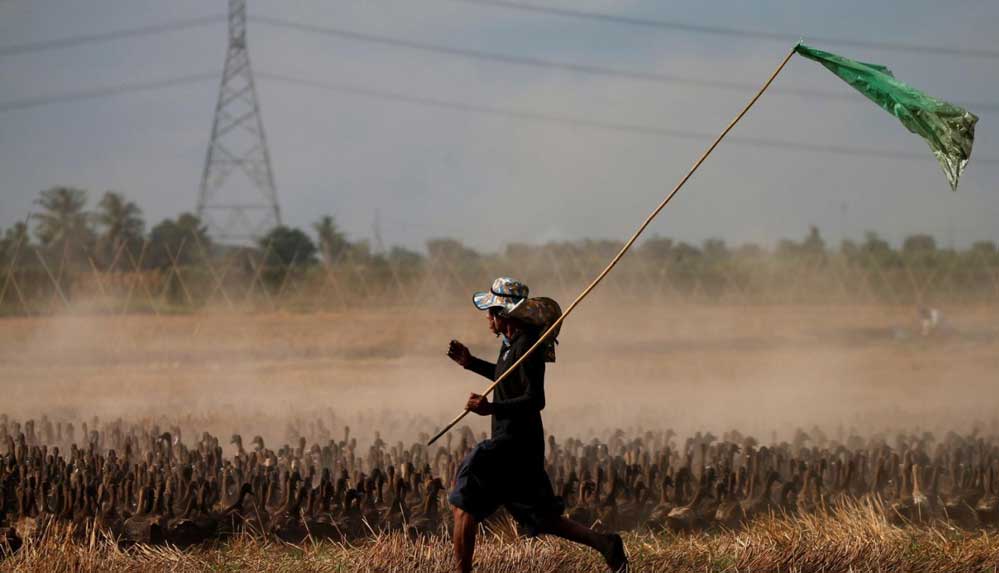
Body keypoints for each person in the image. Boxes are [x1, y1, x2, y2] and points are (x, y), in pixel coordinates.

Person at [445, 277, 628, 573]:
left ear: (505, 315)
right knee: (544, 518)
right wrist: (471, 363)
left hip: (512, 444)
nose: (488, 318)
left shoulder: (528, 347)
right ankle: (607, 545)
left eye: (492, 311)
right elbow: (506, 377)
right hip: (522, 447)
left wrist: (490, 407)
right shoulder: (512, 345)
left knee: (464, 500)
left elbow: (535, 399)